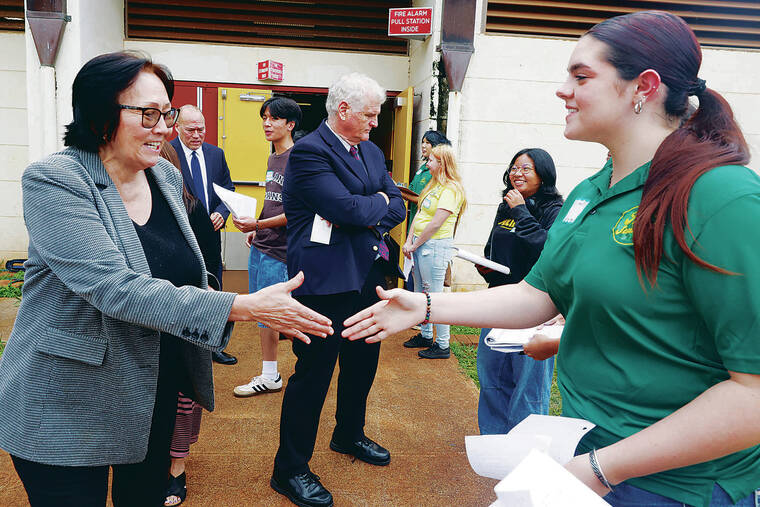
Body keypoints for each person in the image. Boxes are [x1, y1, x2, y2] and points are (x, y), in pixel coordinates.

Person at [343, 11, 760, 506]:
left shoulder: (721, 196)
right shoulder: (591, 192)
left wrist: (603, 468)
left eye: (581, 77)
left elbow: (752, 392)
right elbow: (536, 295)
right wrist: (426, 306)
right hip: (586, 457)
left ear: (643, 87)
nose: (563, 89)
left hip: (671, 486)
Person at [0, 51, 332, 507]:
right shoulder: (56, 180)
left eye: (167, 113)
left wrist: (224, 298)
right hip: (68, 396)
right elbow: (115, 289)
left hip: (151, 387)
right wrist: (243, 305)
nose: (165, 127)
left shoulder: (164, 175)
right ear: (99, 114)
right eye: (148, 113)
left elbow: (184, 272)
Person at [271, 73, 406, 507]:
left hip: (368, 277)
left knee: (362, 365)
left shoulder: (370, 150)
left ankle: (348, 434)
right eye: (370, 113)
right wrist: (377, 205)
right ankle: (289, 469)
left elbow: (398, 202)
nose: (375, 121)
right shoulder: (309, 153)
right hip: (324, 285)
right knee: (313, 377)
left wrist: (376, 207)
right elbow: (344, 209)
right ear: (343, 110)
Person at [475, 148, 564, 435]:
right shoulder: (506, 205)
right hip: (499, 300)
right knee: (493, 378)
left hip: (534, 306)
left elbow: (547, 249)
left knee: (528, 385)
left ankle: (525, 448)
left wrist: (521, 211)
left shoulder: (555, 210)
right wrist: (486, 265)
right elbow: (493, 247)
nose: (517, 174)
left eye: (526, 169)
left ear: (543, 175)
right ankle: (494, 442)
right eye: (514, 168)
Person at [158, 141, 219, 507]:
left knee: (183, 396)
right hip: (141, 319)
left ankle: (177, 468)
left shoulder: (189, 207)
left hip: (183, 317)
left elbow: (208, 261)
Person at [232, 97, 302, 397]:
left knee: (274, 313)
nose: (266, 123)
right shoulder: (273, 158)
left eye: (273, 118)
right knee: (262, 313)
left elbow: (298, 212)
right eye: (264, 117)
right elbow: (273, 203)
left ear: (290, 124)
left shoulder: (298, 159)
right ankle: (270, 373)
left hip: (280, 250)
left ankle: (281, 372)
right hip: (261, 244)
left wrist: (258, 226)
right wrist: (256, 226)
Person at [170, 104, 238, 365]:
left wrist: (223, 211)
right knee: (185, 284)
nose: (197, 135)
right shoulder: (168, 153)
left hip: (211, 233)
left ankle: (213, 344)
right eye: (191, 130)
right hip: (181, 233)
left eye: (202, 129)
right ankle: (184, 344)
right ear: (178, 128)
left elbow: (227, 188)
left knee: (214, 286)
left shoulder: (215, 154)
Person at [401, 143, 466, 359]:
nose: (427, 163)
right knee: (423, 293)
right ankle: (426, 334)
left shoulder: (451, 189)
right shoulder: (434, 185)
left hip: (434, 246)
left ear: (442, 163)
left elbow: (436, 223)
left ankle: (443, 344)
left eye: (431, 160)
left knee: (435, 297)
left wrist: (415, 244)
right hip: (421, 244)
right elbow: (419, 215)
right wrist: (410, 240)